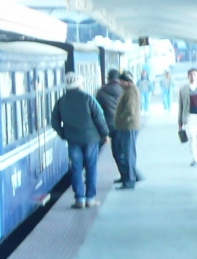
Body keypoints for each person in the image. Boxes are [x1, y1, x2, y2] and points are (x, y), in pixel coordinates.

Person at [52, 71, 110, 208]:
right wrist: (105, 134)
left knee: (76, 168)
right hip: (91, 139)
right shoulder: (88, 98)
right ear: (79, 84)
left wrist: (64, 134)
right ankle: (90, 198)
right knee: (91, 167)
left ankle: (79, 199)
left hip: (73, 139)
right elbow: (99, 117)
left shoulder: (61, 101)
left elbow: (54, 122)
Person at [114, 72, 143, 188]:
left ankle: (130, 180)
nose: (119, 84)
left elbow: (130, 110)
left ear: (127, 82)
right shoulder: (128, 90)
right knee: (125, 152)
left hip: (128, 126)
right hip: (127, 127)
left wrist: (120, 119)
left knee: (128, 154)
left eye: (121, 81)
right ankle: (129, 176)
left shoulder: (131, 92)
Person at [96, 68, 125, 182]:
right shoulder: (124, 90)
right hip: (120, 125)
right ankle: (126, 175)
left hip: (105, 126)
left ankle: (89, 175)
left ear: (108, 78)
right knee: (118, 153)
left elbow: (97, 110)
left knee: (94, 152)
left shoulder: (101, 91)